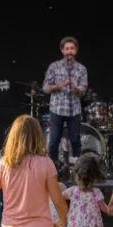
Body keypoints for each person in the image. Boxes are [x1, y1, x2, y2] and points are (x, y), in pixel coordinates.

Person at [43, 36, 88, 166]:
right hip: (57, 109)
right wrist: (60, 85)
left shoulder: (81, 69)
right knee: (53, 140)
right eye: (67, 49)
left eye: (72, 48)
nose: (69, 51)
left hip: (74, 109)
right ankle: (52, 167)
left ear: (76, 50)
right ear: (62, 50)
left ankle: (77, 170)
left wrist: (78, 89)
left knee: (75, 140)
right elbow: (46, 88)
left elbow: (83, 88)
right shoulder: (54, 66)